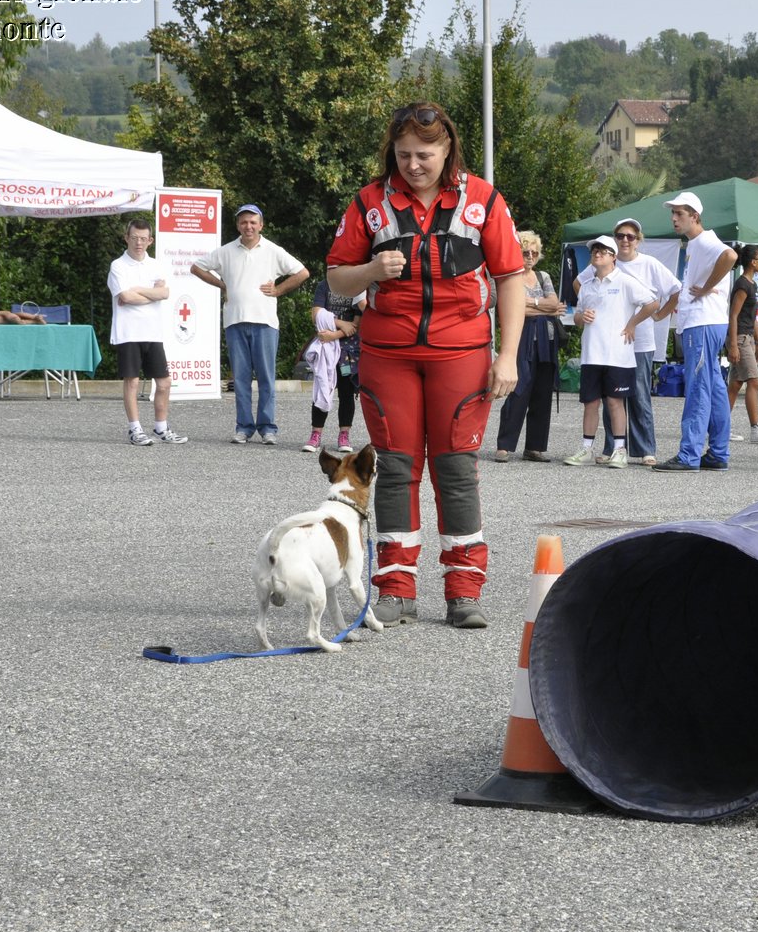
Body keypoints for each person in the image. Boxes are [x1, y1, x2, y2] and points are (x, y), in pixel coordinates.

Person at [325, 100, 525, 630]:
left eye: (425, 154)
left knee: (456, 470)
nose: (414, 164)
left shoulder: (482, 199)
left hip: (460, 354)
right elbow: (336, 278)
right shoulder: (369, 201)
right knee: (394, 470)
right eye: (404, 153)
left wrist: (507, 355)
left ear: (447, 149)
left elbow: (510, 279)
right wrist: (370, 268)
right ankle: (394, 588)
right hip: (388, 355)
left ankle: (463, 591)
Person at [191, 203, 310, 445]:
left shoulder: (273, 250)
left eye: (253, 222)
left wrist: (278, 290)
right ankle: (244, 427)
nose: (248, 226)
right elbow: (196, 267)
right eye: (244, 222)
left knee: (266, 377)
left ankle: (267, 428)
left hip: (265, 322)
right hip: (235, 321)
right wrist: (223, 285)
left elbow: (302, 273)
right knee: (241, 379)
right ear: (238, 225)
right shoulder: (226, 251)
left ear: (261, 225)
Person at [578, 217, 681, 466]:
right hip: (607, 343)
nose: (625, 240)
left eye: (630, 236)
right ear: (614, 241)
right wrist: (589, 310)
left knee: (639, 396)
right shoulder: (600, 265)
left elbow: (676, 290)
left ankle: (646, 448)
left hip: (640, 341)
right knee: (609, 396)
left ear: (638, 240)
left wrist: (656, 317)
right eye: (621, 236)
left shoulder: (649, 264)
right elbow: (579, 285)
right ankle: (612, 446)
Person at [652, 191, 736, 473]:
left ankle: (689, 454)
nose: (674, 219)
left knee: (699, 388)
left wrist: (708, 286)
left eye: (680, 214)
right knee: (713, 386)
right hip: (706, 323)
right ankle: (718, 452)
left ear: (695, 217)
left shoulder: (705, 241)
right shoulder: (696, 244)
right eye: (673, 214)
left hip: (702, 323)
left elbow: (730, 255)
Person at [564, 235, 657, 468]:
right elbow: (577, 317)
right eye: (595, 250)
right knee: (590, 403)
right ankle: (586, 449)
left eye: (603, 251)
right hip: (591, 354)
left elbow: (652, 303)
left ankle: (619, 450)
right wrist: (580, 317)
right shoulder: (586, 286)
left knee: (615, 403)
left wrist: (632, 324)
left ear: (613, 257)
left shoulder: (625, 282)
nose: (597, 253)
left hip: (618, 355)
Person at [109, 219, 186, 446]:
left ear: (150, 240)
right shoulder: (118, 266)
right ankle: (135, 430)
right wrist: (151, 292)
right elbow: (125, 297)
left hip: (153, 333)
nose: (139, 243)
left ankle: (161, 428)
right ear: (126, 238)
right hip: (128, 332)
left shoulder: (157, 265)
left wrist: (139, 291)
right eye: (134, 238)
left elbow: (164, 293)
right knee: (132, 382)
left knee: (164, 383)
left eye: (143, 239)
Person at [495, 229, 565, 462]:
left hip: (547, 338)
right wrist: (540, 306)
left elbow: (555, 305)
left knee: (543, 391)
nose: (530, 257)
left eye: (534, 253)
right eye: (525, 252)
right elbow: (510, 309)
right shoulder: (510, 277)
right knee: (518, 388)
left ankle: (534, 447)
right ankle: (504, 445)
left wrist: (529, 303)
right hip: (521, 336)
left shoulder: (543, 276)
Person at [300, 279, 365, 454]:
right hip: (326, 347)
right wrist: (341, 323)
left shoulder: (356, 285)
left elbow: (357, 323)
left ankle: (344, 435)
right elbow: (316, 314)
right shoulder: (324, 285)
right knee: (322, 388)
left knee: (347, 393)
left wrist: (334, 334)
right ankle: (315, 434)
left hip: (348, 349)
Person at [726, 245, 758, 443]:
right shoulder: (742, 285)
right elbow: (733, 315)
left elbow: (753, 317)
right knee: (754, 380)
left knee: (735, 385)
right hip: (739, 338)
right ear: (752, 262)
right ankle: (756, 429)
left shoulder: (752, 285)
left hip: (748, 337)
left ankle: (721, 428)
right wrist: (733, 344)